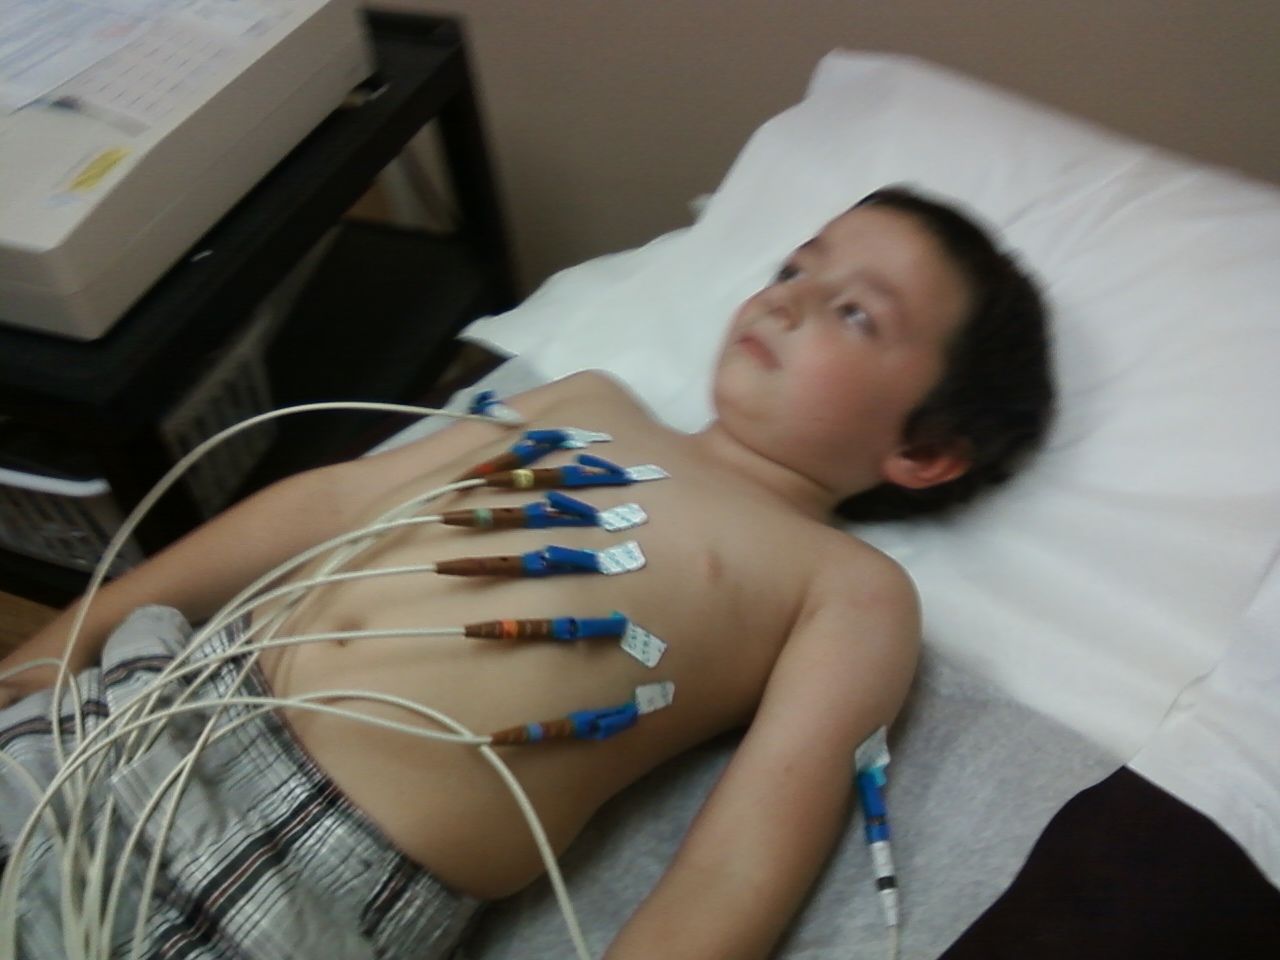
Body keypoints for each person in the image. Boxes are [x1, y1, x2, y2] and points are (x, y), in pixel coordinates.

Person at [0, 186, 1052, 959]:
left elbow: (737, 864)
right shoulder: (586, 403)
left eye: (855, 312)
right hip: (153, 701)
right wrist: (62, 644)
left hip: (301, 860)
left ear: (923, 452)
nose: (787, 300)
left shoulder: (847, 588)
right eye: (792, 269)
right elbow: (326, 505)